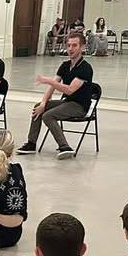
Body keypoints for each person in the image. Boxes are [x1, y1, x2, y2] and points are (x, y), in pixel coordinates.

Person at [17, 31, 93, 160]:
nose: (70, 49)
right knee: (38, 107)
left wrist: (48, 81)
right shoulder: (65, 65)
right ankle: (31, 143)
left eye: (74, 45)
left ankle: (65, 147)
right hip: (67, 102)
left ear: (82, 47)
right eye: (68, 45)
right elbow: (52, 87)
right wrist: (43, 103)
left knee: (48, 115)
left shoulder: (85, 68)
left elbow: (69, 90)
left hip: (79, 106)